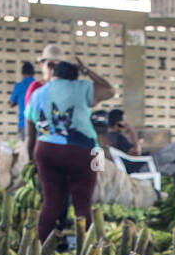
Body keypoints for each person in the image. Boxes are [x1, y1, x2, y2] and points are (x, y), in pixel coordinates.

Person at [26, 59, 112, 243]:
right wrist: (86, 69)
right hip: (80, 151)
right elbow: (109, 89)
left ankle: (38, 251)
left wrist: (30, 157)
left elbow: (30, 134)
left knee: (50, 203)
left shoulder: (38, 94)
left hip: (46, 150)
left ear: (54, 74)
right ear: (75, 76)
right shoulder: (82, 87)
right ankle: (86, 253)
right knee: (82, 205)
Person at [9, 62, 35, 134]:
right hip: (37, 124)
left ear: (22, 73)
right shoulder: (39, 85)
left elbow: (11, 103)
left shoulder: (18, 86)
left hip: (23, 124)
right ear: (33, 73)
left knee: (24, 145)